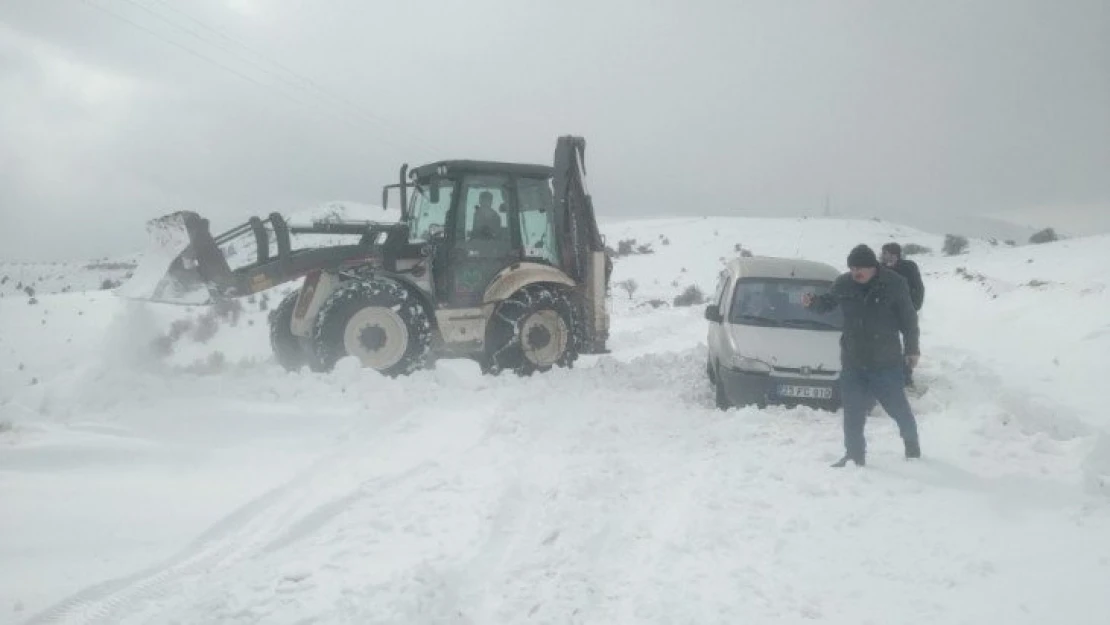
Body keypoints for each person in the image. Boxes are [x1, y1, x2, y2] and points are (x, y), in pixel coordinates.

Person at [802, 244, 921, 467]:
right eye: (852, 268)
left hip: (886, 362)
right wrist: (813, 303)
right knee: (853, 412)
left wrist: (912, 349)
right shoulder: (844, 283)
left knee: (897, 408)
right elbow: (827, 304)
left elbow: (908, 319)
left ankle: (912, 446)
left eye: (860, 268)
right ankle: (854, 456)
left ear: (872, 267)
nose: (856, 272)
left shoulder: (894, 284)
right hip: (854, 360)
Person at [880, 242, 925, 386]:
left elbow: (918, 288)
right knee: (888, 344)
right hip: (886, 314)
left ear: (894, 254)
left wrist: (913, 307)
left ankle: (906, 375)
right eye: (883, 253)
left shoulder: (908, 267)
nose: (883, 255)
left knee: (909, 344)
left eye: (885, 253)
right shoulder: (879, 269)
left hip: (906, 312)